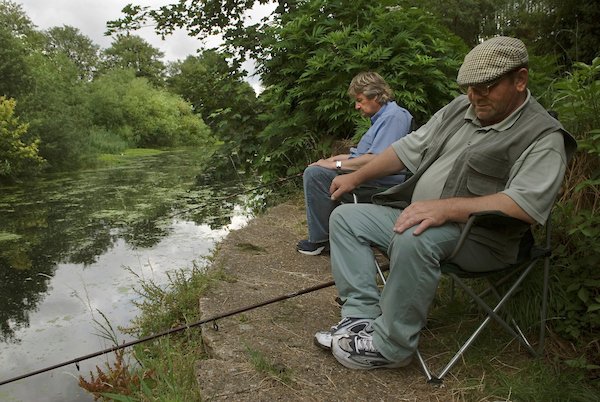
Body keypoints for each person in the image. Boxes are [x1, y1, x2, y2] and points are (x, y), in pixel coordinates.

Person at [313, 37, 577, 370]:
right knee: (346, 218)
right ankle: (361, 317)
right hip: (421, 218)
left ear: (520, 80)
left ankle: (390, 347)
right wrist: (356, 177)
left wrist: (445, 208)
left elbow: (524, 205)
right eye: (469, 88)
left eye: (485, 88)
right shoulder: (460, 108)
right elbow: (405, 149)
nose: (474, 96)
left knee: (415, 238)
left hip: (484, 239)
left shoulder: (544, 136)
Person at [297, 72, 413, 256]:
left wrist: (334, 166)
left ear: (375, 96)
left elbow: (377, 160)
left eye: (360, 100)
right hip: (369, 177)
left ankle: (321, 240)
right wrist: (330, 160)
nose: (356, 106)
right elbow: (360, 155)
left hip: (378, 184)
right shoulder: (382, 117)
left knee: (315, 175)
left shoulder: (394, 117)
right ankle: (329, 234)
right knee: (318, 168)